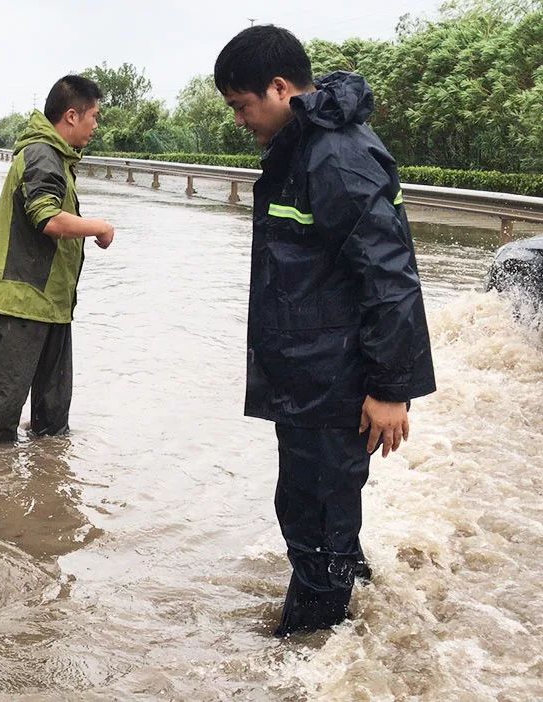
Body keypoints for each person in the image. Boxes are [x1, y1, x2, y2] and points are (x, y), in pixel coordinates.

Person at [213, 26, 436, 636]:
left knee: (316, 524)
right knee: (321, 515)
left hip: (331, 383)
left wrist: (392, 389)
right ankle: (364, 631)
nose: (239, 119)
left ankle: (305, 654)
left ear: (279, 88)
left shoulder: (336, 156)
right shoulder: (304, 147)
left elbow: (391, 277)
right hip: (311, 376)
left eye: (242, 104)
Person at [0, 75, 115, 443]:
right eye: (94, 117)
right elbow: (48, 218)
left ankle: (47, 480)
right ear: (71, 115)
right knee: (5, 407)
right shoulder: (42, 154)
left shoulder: (57, 157)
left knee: (53, 415)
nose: (96, 126)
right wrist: (99, 226)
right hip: (25, 296)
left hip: (50, 299)